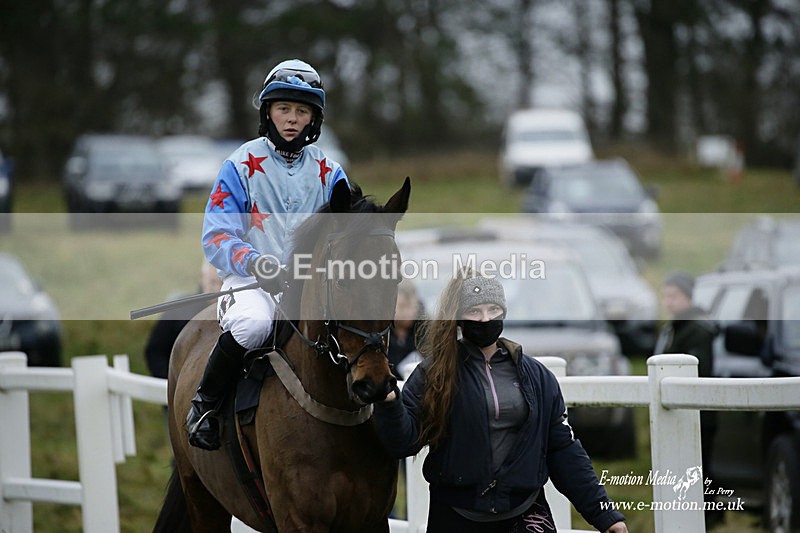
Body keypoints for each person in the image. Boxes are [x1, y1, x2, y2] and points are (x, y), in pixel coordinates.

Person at [373, 273, 627, 533]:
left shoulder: (537, 377)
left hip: (526, 514)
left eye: (493, 309)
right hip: (456, 516)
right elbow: (403, 442)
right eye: (475, 310)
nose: (485, 318)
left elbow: (563, 450)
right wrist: (390, 403)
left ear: (504, 311)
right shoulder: (433, 375)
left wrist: (604, 514)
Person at [188, 59, 350, 450]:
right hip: (251, 280)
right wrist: (257, 264)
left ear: (314, 118)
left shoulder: (331, 171)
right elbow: (216, 235)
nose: (292, 119)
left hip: (309, 284)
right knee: (253, 326)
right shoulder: (240, 164)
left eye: (301, 110)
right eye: (284, 109)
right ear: (267, 112)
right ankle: (205, 405)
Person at [654, 271, 720, 527]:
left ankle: (711, 514)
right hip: (677, 410)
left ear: (688, 297)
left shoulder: (699, 328)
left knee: (700, 467)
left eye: (674, 296)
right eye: (665, 296)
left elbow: (700, 369)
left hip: (699, 412)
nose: (668, 302)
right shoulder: (672, 327)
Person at [144, 261, 222, 380]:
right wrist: (173, 382)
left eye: (222, 283)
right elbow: (155, 351)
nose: (217, 290)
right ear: (202, 277)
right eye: (213, 283)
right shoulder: (179, 308)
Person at [388, 278, 425, 380]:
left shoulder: (426, 333)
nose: (408, 313)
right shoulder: (380, 336)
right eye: (402, 306)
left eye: (412, 306)